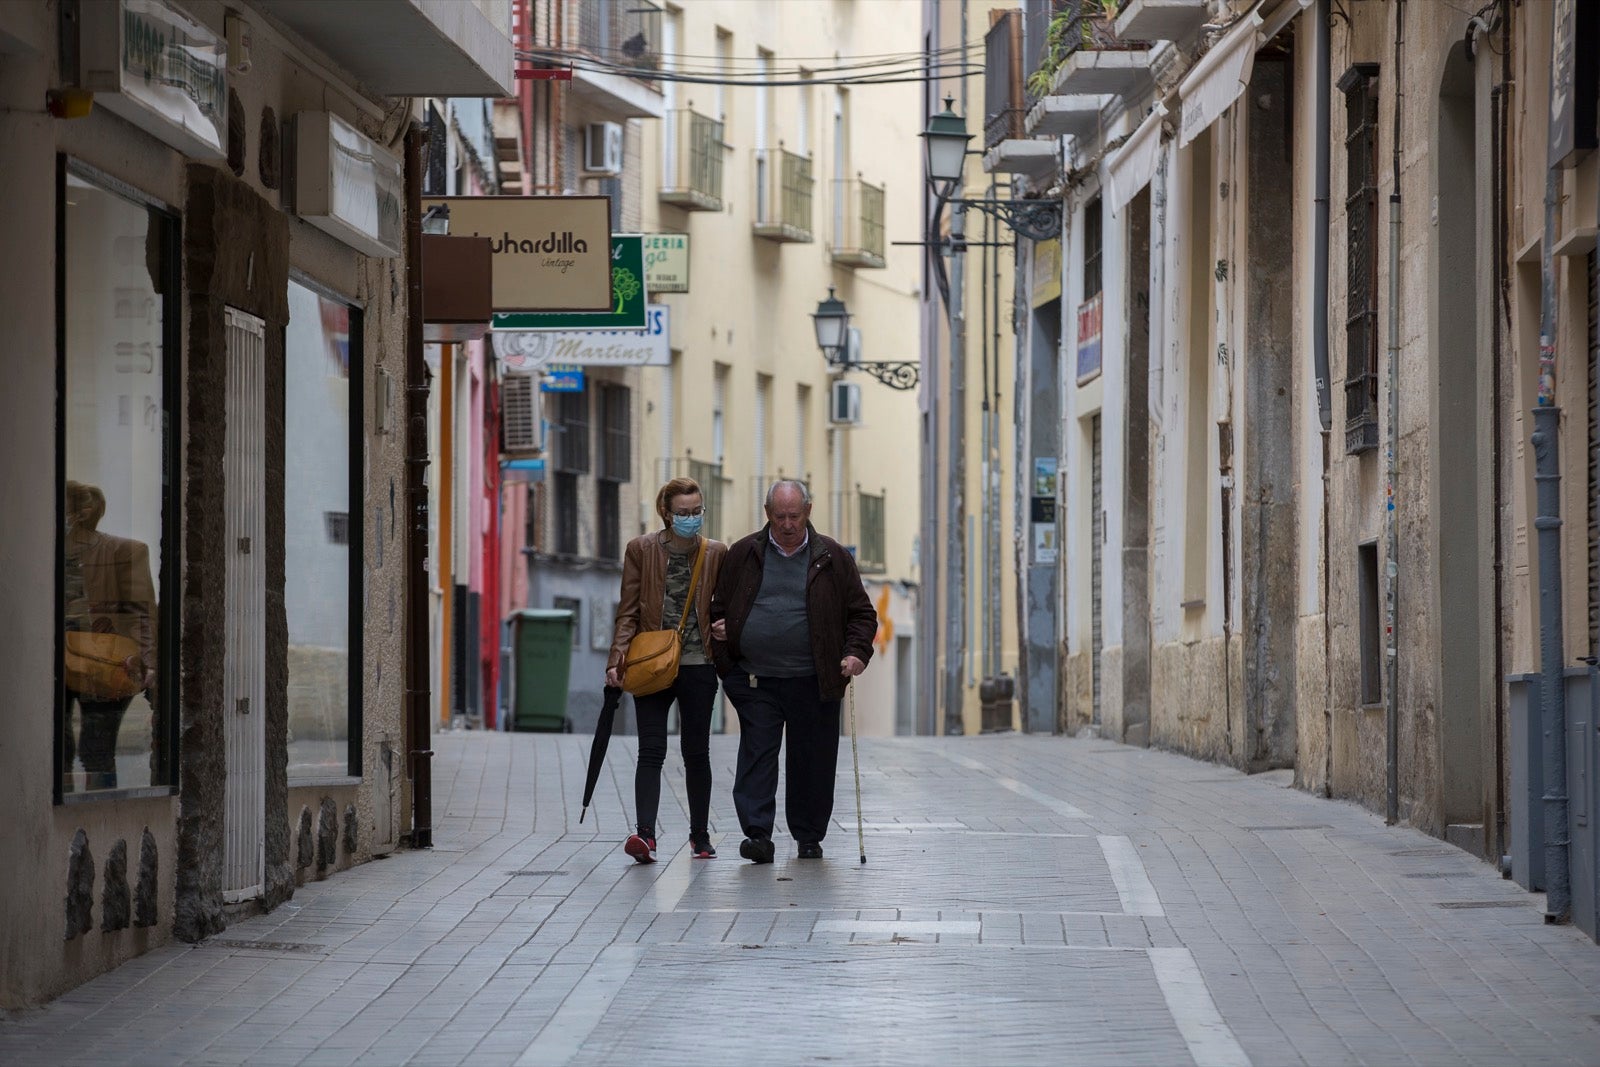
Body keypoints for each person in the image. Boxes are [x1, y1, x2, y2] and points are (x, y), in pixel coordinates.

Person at [709, 480, 878, 863]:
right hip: (756, 679)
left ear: (808, 511)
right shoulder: (743, 553)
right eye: (780, 516)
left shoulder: (832, 557)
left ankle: (808, 836)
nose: (787, 524)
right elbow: (718, 608)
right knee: (758, 755)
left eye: (794, 516)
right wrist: (727, 656)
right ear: (767, 514)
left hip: (815, 679)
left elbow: (862, 614)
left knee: (812, 759)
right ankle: (757, 835)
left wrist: (856, 655)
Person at [607, 477, 727, 863]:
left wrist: (728, 626)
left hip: (699, 664)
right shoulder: (641, 550)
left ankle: (700, 836)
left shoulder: (716, 553)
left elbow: (727, 606)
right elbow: (628, 612)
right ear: (666, 513)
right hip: (652, 664)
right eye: (683, 513)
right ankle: (645, 836)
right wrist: (617, 658)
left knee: (697, 752)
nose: (691, 519)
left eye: (697, 512)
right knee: (651, 750)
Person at [62, 480, 157, 792]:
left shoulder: (124, 552)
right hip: (56, 662)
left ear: (79, 513)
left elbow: (142, 613)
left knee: (96, 750)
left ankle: (100, 813)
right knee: (55, 749)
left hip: (104, 664)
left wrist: (147, 664)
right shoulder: (44, 554)